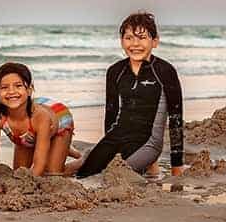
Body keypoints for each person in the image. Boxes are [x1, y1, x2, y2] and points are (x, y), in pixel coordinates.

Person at [71, 11, 185, 178]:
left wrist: (177, 166)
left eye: (142, 37)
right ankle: (90, 157)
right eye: (129, 38)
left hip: (149, 142)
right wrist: (106, 148)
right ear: (121, 41)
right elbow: (110, 114)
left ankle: (151, 163)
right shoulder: (115, 71)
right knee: (84, 175)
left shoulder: (165, 71)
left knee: (115, 176)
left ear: (155, 41)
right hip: (117, 137)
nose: (135, 44)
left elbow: (176, 117)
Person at [0, 62, 75, 183]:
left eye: (18, 86)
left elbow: (39, 163)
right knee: (19, 172)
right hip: (28, 130)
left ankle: (80, 158)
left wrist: (24, 187)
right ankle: (55, 146)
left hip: (58, 116)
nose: (11, 91)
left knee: (52, 174)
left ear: (29, 90)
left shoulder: (41, 117)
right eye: (4, 87)